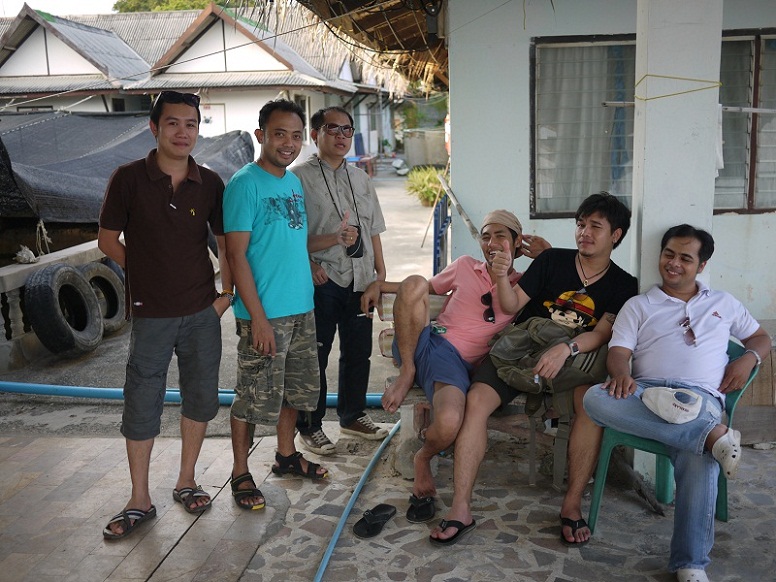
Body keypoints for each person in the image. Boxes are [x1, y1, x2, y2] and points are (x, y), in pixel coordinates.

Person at [430, 192, 638, 546]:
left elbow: (602, 332)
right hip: (519, 354)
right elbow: (512, 304)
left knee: (590, 405)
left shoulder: (624, 284)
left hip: (572, 363)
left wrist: (566, 347)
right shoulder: (552, 262)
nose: (584, 232)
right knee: (476, 401)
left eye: (595, 227)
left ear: (615, 235)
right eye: (580, 225)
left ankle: (571, 506)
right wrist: (499, 278)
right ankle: (460, 508)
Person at [583, 224, 770, 582]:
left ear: (701, 266)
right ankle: (713, 438)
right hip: (645, 394)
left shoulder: (724, 303)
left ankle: (690, 564)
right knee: (595, 398)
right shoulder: (638, 305)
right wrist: (620, 372)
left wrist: (748, 359)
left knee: (698, 457)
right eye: (669, 254)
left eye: (686, 258)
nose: (674, 263)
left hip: (701, 401)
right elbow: (619, 352)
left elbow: (760, 337)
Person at [99, 90, 233, 539]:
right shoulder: (128, 178)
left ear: (198, 130)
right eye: (172, 123)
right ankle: (139, 499)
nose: (182, 132)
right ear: (154, 127)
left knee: (199, 397)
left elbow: (225, 243)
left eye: (191, 124)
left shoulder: (210, 182)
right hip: (151, 315)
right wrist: (145, 275)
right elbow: (107, 239)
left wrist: (225, 294)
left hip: (201, 312)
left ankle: (187, 480)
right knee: (141, 402)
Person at [361, 210, 549, 524]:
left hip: (472, 368)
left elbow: (562, 284)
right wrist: (378, 286)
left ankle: (423, 456)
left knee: (449, 421)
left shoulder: (524, 286)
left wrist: (550, 255)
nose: (491, 242)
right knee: (415, 282)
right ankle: (408, 370)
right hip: (437, 348)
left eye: (501, 235)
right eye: (486, 236)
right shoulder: (465, 266)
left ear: (518, 244)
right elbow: (421, 290)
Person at [223, 99, 327, 511]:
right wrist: (259, 319)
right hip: (263, 315)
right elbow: (236, 256)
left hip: (302, 307)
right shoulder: (244, 184)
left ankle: (286, 456)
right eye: (279, 134)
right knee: (251, 395)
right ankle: (239, 471)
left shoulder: (291, 183)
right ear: (260, 135)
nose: (288, 143)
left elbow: (290, 240)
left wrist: (313, 261)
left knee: (293, 391)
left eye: (296, 136)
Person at [292, 106, 388, 455]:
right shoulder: (297, 178)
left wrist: (380, 276)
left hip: (359, 279)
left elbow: (374, 230)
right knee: (315, 355)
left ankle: (352, 415)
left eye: (347, 130)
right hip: (322, 279)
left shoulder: (361, 177)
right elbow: (289, 234)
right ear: (316, 134)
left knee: (358, 353)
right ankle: (310, 426)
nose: (342, 136)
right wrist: (306, 263)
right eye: (333, 129)